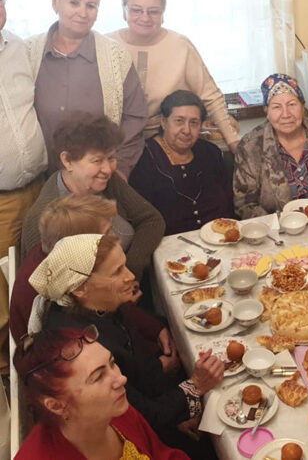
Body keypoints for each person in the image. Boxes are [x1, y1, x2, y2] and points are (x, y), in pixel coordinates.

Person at [28, 233, 224, 458]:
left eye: (125, 265)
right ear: (80, 288)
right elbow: (140, 414)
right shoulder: (81, 346)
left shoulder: (103, 304)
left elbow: (140, 368)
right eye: (117, 271)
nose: (131, 276)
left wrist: (180, 405)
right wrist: (195, 386)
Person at [27, 0, 147, 177]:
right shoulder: (28, 52)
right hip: (41, 179)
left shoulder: (116, 56)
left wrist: (120, 169)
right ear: (55, 3)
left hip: (100, 179)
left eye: (91, 5)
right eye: (74, 3)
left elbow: (135, 118)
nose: (83, 13)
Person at [19, 114, 165, 281]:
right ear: (67, 161)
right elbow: (53, 286)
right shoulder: (45, 219)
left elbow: (152, 220)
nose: (108, 169)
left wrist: (130, 270)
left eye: (111, 158)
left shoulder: (105, 181)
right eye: (97, 160)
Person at [14, 326, 190, 459]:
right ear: (56, 405)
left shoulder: (117, 411)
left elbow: (162, 455)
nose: (121, 379)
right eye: (98, 377)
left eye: (112, 363)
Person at [109, 0, 240, 151]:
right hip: (117, 142)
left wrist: (232, 139)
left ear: (163, 14)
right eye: (136, 10)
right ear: (124, 11)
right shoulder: (106, 46)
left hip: (168, 142)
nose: (145, 17)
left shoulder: (180, 45)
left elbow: (211, 96)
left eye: (153, 11)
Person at [0, 0, 48, 376]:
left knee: (42, 270)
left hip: (41, 184)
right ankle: (12, 366)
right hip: (2, 198)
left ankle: (44, 347)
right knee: (6, 281)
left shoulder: (21, 48)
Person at [10, 194, 117, 345]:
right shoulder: (48, 297)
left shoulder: (69, 261)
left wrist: (154, 328)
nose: (114, 239)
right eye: (105, 235)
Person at [234, 73, 308, 218]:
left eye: (292, 105)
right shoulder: (250, 147)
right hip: (279, 232)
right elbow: (244, 204)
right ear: (267, 111)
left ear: (302, 107)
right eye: (276, 107)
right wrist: (280, 228)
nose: (286, 114)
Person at [129, 90, 235, 234]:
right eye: (179, 121)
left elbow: (229, 203)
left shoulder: (210, 153)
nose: (186, 130)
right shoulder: (145, 158)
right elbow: (143, 219)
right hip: (171, 246)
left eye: (194, 123)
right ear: (164, 122)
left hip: (220, 238)